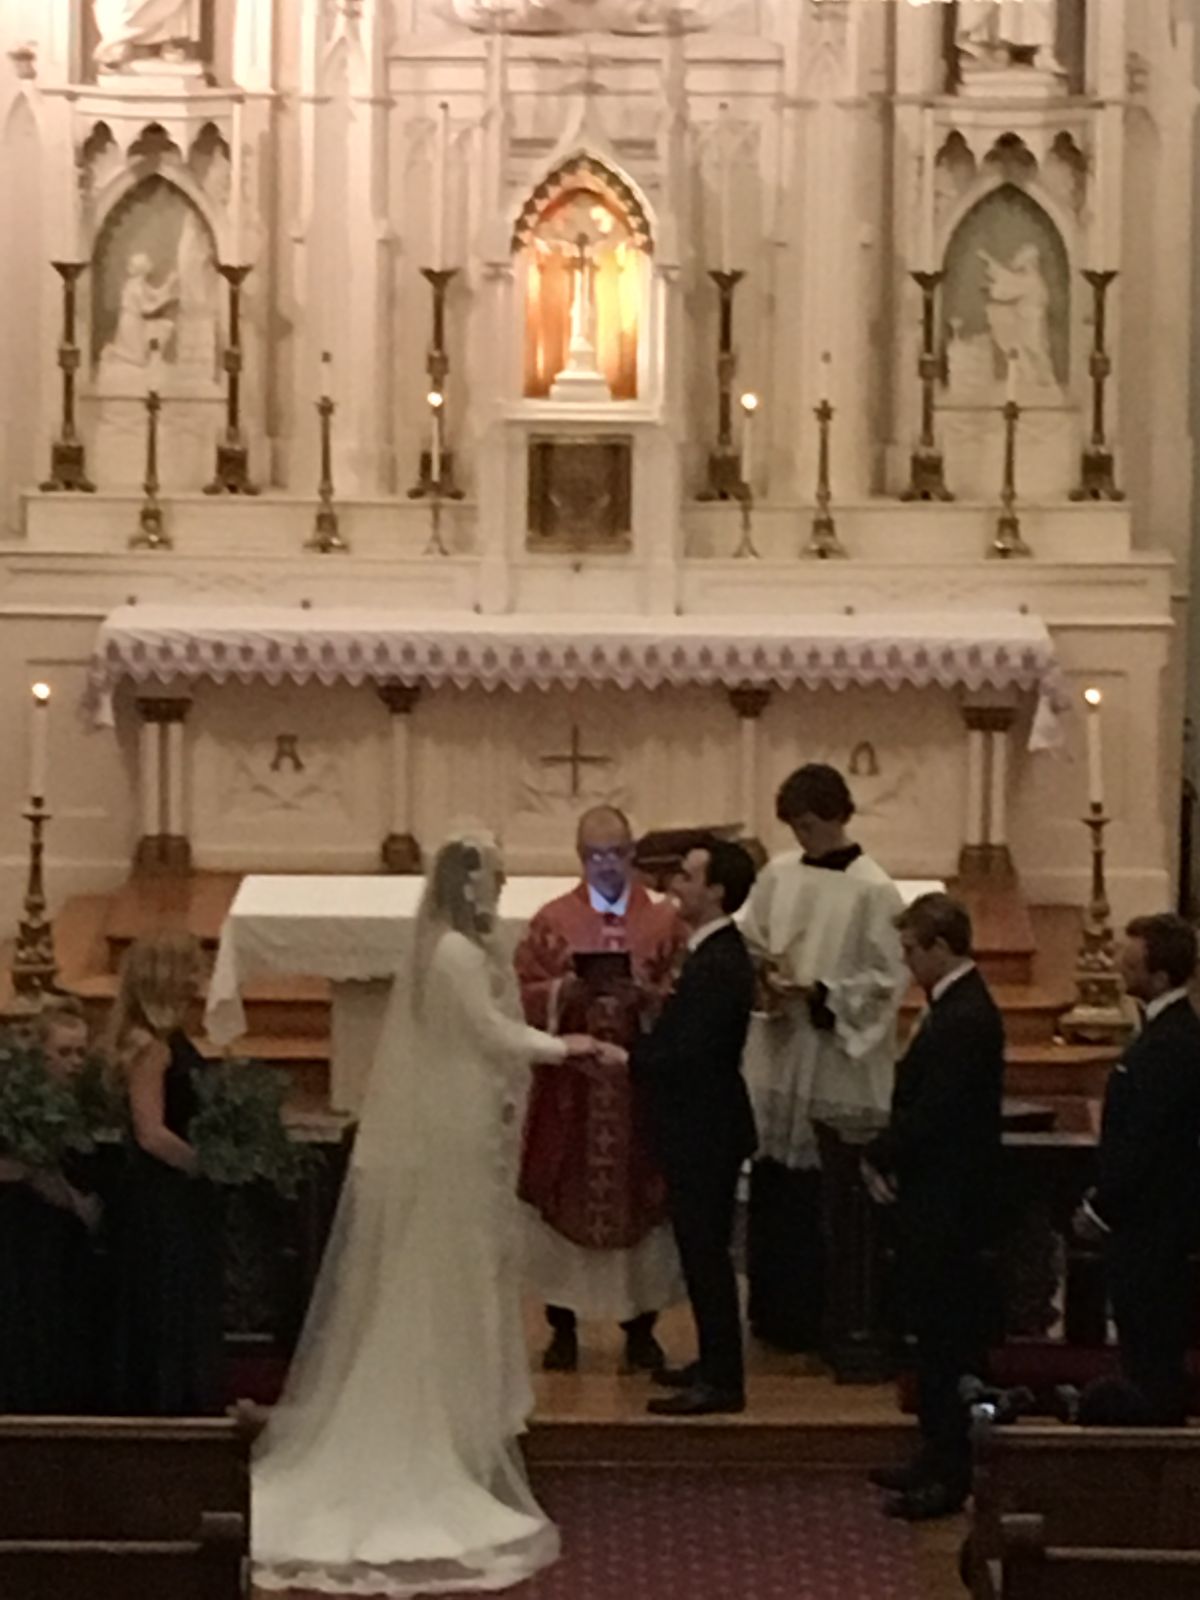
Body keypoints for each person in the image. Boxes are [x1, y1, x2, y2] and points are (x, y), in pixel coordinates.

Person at [253, 830, 621, 1596]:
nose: (502, 889)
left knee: (470, 1267)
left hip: (469, 1116)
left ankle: (467, 1426)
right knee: (449, 1271)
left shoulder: (454, 948)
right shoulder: (453, 954)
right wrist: (567, 1046)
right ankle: (442, 1430)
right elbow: (487, 1033)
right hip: (458, 1124)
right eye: (497, 879)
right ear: (471, 885)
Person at [740, 763, 907, 1353]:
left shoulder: (874, 890)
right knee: (777, 1182)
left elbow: (887, 980)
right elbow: (750, 939)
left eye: (809, 824)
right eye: (794, 826)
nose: (801, 837)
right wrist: (763, 977)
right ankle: (773, 1313)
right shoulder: (778, 874)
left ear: (838, 816)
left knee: (823, 1188)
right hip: (782, 1046)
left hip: (834, 1056)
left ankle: (824, 1318)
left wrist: (820, 994)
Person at [516, 804, 687, 1374]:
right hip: (573, 1091)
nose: (606, 865)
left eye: (616, 853)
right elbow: (522, 992)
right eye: (595, 855)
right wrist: (565, 991)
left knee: (645, 1198)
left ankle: (641, 1331)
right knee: (562, 1196)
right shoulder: (552, 921)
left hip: (639, 1088)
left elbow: (684, 996)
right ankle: (562, 1327)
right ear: (580, 858)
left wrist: (648, 997)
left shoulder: (663, 922)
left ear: (633, 854)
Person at [862, 893, 1005, 1521]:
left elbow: (938, 1111)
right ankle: (932, 1452)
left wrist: (881, 1152)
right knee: (930, 1335)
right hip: (934, 1196)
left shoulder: (965, 1016)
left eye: (911, 949)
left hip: (949, 1205)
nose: (905, 960)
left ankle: (949, 1474)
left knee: (946, 1340)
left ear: (941, 947)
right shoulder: (953, 1006)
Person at [637, 840, 758, 1417]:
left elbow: (694, 1052)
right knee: (698, 1251)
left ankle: (722, 1379)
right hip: (702, 1123)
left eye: (687, 877)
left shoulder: (720, 961)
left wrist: (633, 1057)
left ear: (716, 891)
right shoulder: (712, 953)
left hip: (705, 1127)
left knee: (707, 1253)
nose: (675, 885)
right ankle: (712, 1361)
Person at [1073, 914, 1200, 1427]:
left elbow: (1145, 1142)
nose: (1121, 968)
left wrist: (1101, 1206)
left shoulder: (1171, 1043)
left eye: (1132, 962)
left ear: (1162, 975)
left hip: (1154, 1225)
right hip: (1149, 1222)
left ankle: (1154, 1450)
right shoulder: (1167, 1034)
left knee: (1151, 1349)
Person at [107, 932, 225, 1416]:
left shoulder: (157, 1038)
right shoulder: (150, 1047)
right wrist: (207, 1165)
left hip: (167, 1193)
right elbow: (151, 1132)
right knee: (169, 1295)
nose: (199, 980)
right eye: (191, 969)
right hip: (162, 1196)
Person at [0, 1001, 102, 1412]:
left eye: (81, 1052)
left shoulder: (84, 1104)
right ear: (40, 1056)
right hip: (20, 1230)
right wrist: (35, 1175)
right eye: (64, 1052)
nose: (75, 1062)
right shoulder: (15, 1103)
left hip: (63, 1239)